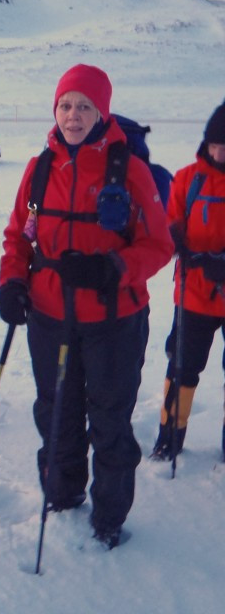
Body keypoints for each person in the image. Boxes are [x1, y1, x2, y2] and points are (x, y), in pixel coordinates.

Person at [0, 64, 173, 549]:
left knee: (111, 417)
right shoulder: (40, 170)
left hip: (114, 320)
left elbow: (159, 245)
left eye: (84, 106)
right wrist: (13, 281)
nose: (73, 116)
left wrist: (111, 268)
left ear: (102, 111)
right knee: (56, 410)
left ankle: (109, 516)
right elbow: (20, 235)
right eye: (66, 105)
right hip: (50, 316)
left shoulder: (130, 170)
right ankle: (62, 493)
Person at [151, 101, 225, 461]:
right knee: (182, 368)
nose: (220, 151)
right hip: (194, 294)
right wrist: (179, 243)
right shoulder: (187, 178)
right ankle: (170, 437)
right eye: (215, 144)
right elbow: (169, 222)